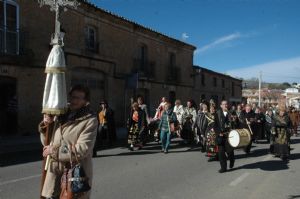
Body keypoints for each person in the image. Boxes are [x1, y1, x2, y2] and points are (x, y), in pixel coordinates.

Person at [39, 85, 98, 199]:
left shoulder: (90, 120)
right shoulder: (59, 115)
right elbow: (46, 143)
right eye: (72, 96)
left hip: (74, 173)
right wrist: (47, 126)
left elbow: (83, 149)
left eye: (78, 98)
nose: (74, 100)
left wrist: (54, 151)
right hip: (54, 172)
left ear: (85, 101)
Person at [216, 100, 235, 173]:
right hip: (220, 135)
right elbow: (215, 125)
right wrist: (218, 133)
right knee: (221, 153)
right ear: (221, 106)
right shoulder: (217, 113)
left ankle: (232, 159)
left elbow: (235, 123)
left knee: (229, 151)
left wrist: (234, 120)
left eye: (226, 104)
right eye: (224, 104)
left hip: (229, 135)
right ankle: (223, 168)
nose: (225, 105)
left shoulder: (231, 113)